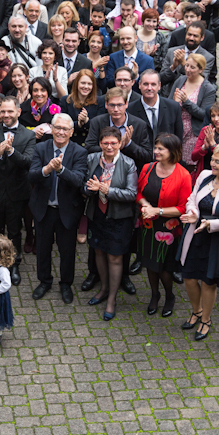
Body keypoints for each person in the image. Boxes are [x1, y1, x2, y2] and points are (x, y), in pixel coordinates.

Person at [179, 142, 219, 340]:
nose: (212, 164)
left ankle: (205, 319)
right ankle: (196, 310)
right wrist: (193, 213)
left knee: (208, 281)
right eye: (213, 159)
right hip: (195, 234)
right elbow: (192, 199)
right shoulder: (205, 175)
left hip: (216, 240)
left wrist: (210, 224)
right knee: (189, 277)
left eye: (218, 161)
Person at [28, 113, 87, 303]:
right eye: (57, 128)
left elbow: (78, 180)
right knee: (42, 248)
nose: (61, 132)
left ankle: (66, 284)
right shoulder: (40, 148)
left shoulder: (79, 152)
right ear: (51, 129)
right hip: (43, 209)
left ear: (71, 132)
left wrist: (61, 170)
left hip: (67, 211)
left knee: (67, 251)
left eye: (65, 129)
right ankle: (44, 281)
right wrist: (47, 170)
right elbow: (31, 175)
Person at [82, 126, 138, 319]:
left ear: (120, 144)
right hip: (97, 214)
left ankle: (112, 299)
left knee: (115, 257)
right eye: (105, 143)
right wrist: (89, 189)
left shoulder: (129, 163)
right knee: (98, 251)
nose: (109, 146)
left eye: (113, 143)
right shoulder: (91, 159)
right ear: (100, 143)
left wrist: (106, 190)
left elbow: (131, 194)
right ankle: (104, 288)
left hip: (119, 218)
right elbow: (83, 185)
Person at [136, 133, 192, 317]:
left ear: (172, 151)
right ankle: (155, 295)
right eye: (156, 147)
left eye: (161, 149)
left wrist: (157, 211)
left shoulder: (183, 175)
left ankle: (169, 295)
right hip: (148, 226)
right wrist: (146, 205)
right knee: (150, 264)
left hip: (168, 229)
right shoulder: (148, 168)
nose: (156, 151)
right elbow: (138, 192)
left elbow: (183, 208)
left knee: (165, 269)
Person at [0, 96, 36, 285]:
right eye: (2, 111)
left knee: (14, 231)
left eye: (9, 111)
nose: (5, 115)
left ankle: (14, 264)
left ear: (18, 112)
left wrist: (11, 152)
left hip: (17, 191)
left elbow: (28, 163)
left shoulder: (28, 135)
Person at [170, 53, 217, 174]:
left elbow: (204, 114)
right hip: (176, 128)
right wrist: (174, 102)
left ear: (201, 69)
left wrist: (186, 102)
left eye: (192, 67)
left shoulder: (208, 88)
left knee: (188, 166)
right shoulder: (180, 80)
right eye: (187, 65)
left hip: (193, 132)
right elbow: (169, 103)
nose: (187, 69)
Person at [128, 70, 184, 141]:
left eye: (153, 84)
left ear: (159, 86)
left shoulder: (173, 107)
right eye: (145, 84)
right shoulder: (130, 109)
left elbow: (178, 138)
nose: (149, 88)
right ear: (139, 85)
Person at [160, 22, 215, 91]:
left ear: (202, 37)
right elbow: (161, 79)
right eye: (189, 34)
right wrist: (173, 67)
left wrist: (184, 63)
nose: (191, 38)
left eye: (195, 36)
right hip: (170, 93)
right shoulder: (172, 52)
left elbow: (201, 82)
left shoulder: (207, 57)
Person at [61, 69, 103, 146]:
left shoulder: (99, 101)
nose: (86, 86)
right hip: (70, 143)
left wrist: (87, 121)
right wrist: (78, 124)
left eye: (89, 84)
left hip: (91, 145)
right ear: (77, 83)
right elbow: (62, 124)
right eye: (83, 83)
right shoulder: (65, 100)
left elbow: (100, 127)